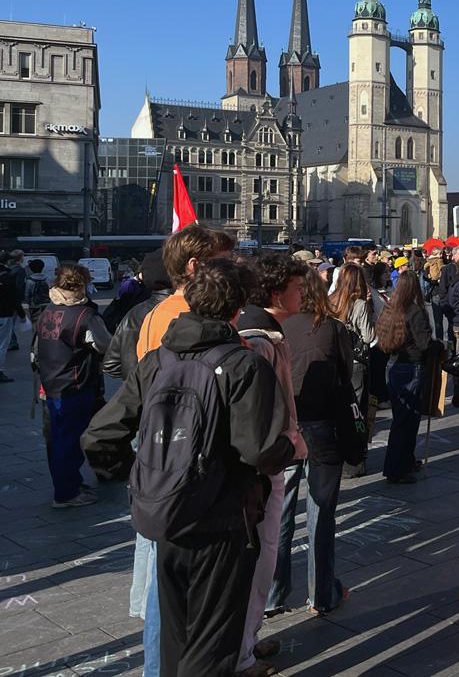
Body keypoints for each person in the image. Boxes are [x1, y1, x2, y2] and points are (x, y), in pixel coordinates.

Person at [93, 257, 293, 675]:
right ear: (236, 309)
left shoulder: (156, 362)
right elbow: (258, 450)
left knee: (175, 636)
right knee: (212, 643)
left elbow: (100, 435)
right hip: (221, 520)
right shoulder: (243, 365)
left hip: (165, 517)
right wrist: (285, 451)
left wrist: (138, 473)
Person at [85, 223, 231, 677]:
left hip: (163, 457)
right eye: (225, 260)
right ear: (196, 266)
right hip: (177, 463)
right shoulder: (180, 314)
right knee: (164, 587)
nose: (235, 267)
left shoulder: (162, 309)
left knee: (162, 577)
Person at [234, 253, 306, 677]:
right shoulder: (259, 339)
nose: (303, 293)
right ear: (277, 292)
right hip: (263, 464)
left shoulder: (266, 333)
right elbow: (258, 410)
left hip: (269, 458)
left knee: (265, 557)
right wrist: (281, 448)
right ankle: (241, 654)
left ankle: (248, 639)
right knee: (260, 558)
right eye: (297, 287)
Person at [269, 272, 354, 616]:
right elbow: (346, 376)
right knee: (321, 512)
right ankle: (320, 594)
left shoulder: (278, 330)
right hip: (324, 425)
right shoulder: (334, 328)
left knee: (280, 511)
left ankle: (274, 594)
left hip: (288, 425)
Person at [34, 263, 110, 508]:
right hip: (75, 384)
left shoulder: (47, 310)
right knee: (70, 439)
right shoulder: (84, 315)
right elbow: (106, 345)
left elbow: (35, 350)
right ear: (83, 285)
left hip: (48, 383)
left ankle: (67, 483)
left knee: (56, 439)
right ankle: (66, 493)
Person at [375, 269, 435, 484]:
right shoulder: (415, 311)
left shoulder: (391, 309)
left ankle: (406, 460)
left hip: (394, 365)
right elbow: (424, 343)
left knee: (405, 418)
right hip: (411, 367)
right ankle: (396, 468)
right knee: (406, 420)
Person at [329, 263, 378, 478]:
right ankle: (354, 461)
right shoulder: (359, 305)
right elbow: (369, 337)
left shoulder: (329, 301)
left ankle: (337, 454)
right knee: (356, 412)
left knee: (338, 410)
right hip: (356, 364)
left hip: (334, 362)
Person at [101, 250, 171, 383]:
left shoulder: (134, 315)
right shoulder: (188, 311)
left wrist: (136, 381)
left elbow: (111, 364)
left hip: (138, 394)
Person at [0, 255, 25, 382]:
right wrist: (22, 314)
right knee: (2, 344)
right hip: (4, 314)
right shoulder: (7, 278)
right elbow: (13, 298)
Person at [24, 257, 52, 325]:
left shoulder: (30, 280)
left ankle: (37, 334)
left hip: (34, 305)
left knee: (35, 322)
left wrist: (28, 303)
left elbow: (27, 294)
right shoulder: (47, 278)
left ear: (31, 269)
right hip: (46, 304)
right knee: (46, 322)